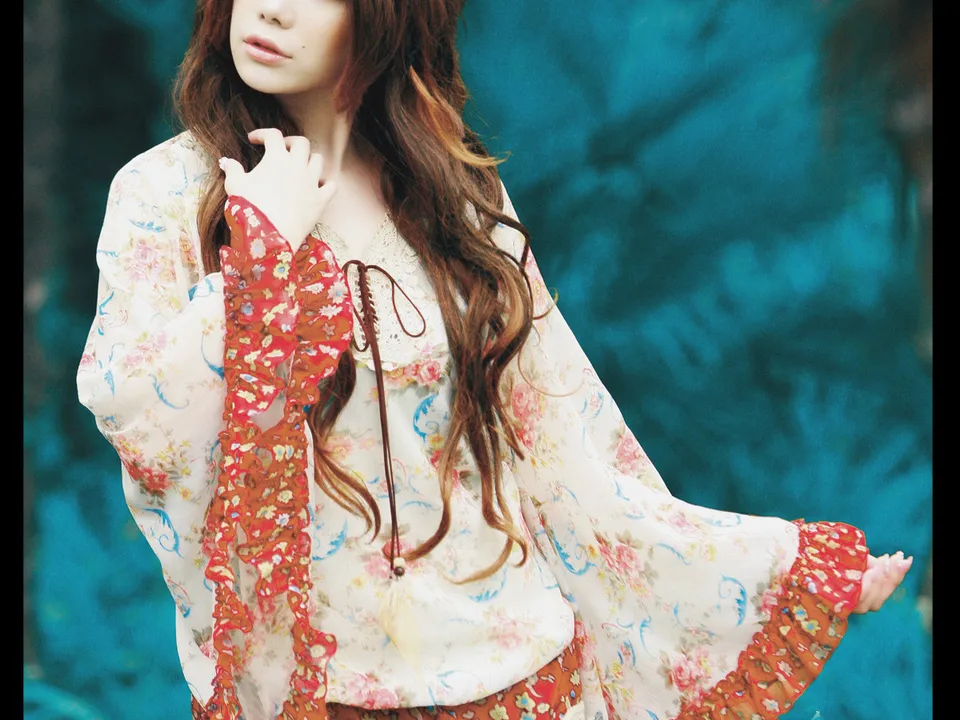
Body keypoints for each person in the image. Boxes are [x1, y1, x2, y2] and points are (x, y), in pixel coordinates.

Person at [76, 1, 912, 719]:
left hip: (514, 671)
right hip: (323, 689)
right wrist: (261, 253)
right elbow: (136, 412)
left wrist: (775, 570)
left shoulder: (455, 194)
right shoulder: (166, 194)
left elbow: (565, 447)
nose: (269, 8)